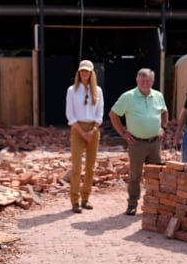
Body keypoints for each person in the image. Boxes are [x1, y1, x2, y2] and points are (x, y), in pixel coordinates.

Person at [109, 68, 168, 216]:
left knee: (155, 174)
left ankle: (154, 204)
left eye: (148, 80)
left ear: (152, 81)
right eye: (142, 80)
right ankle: (132, 204)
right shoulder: (128, 97)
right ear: (137, 81)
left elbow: (164, 112)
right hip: (137, 143)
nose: (145, 83)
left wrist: (164, 127)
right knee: (135, 176)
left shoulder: (158, 96)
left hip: (154, 143)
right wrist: (123, 132)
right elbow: (113, 114)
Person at [65, 59, 104, 213]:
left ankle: (85, 198)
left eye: (87, 71)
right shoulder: (72, 90)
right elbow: (70, 114)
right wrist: (83, 133)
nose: (84, 73)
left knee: (91, 167)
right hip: (77, 128)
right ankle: (74, 200)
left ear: (91, 73)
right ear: (79, 72)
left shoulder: (98, 91)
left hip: (93, 129)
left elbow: (100, 113)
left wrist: (93, 130)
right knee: (76, 166)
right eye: (82, 71)